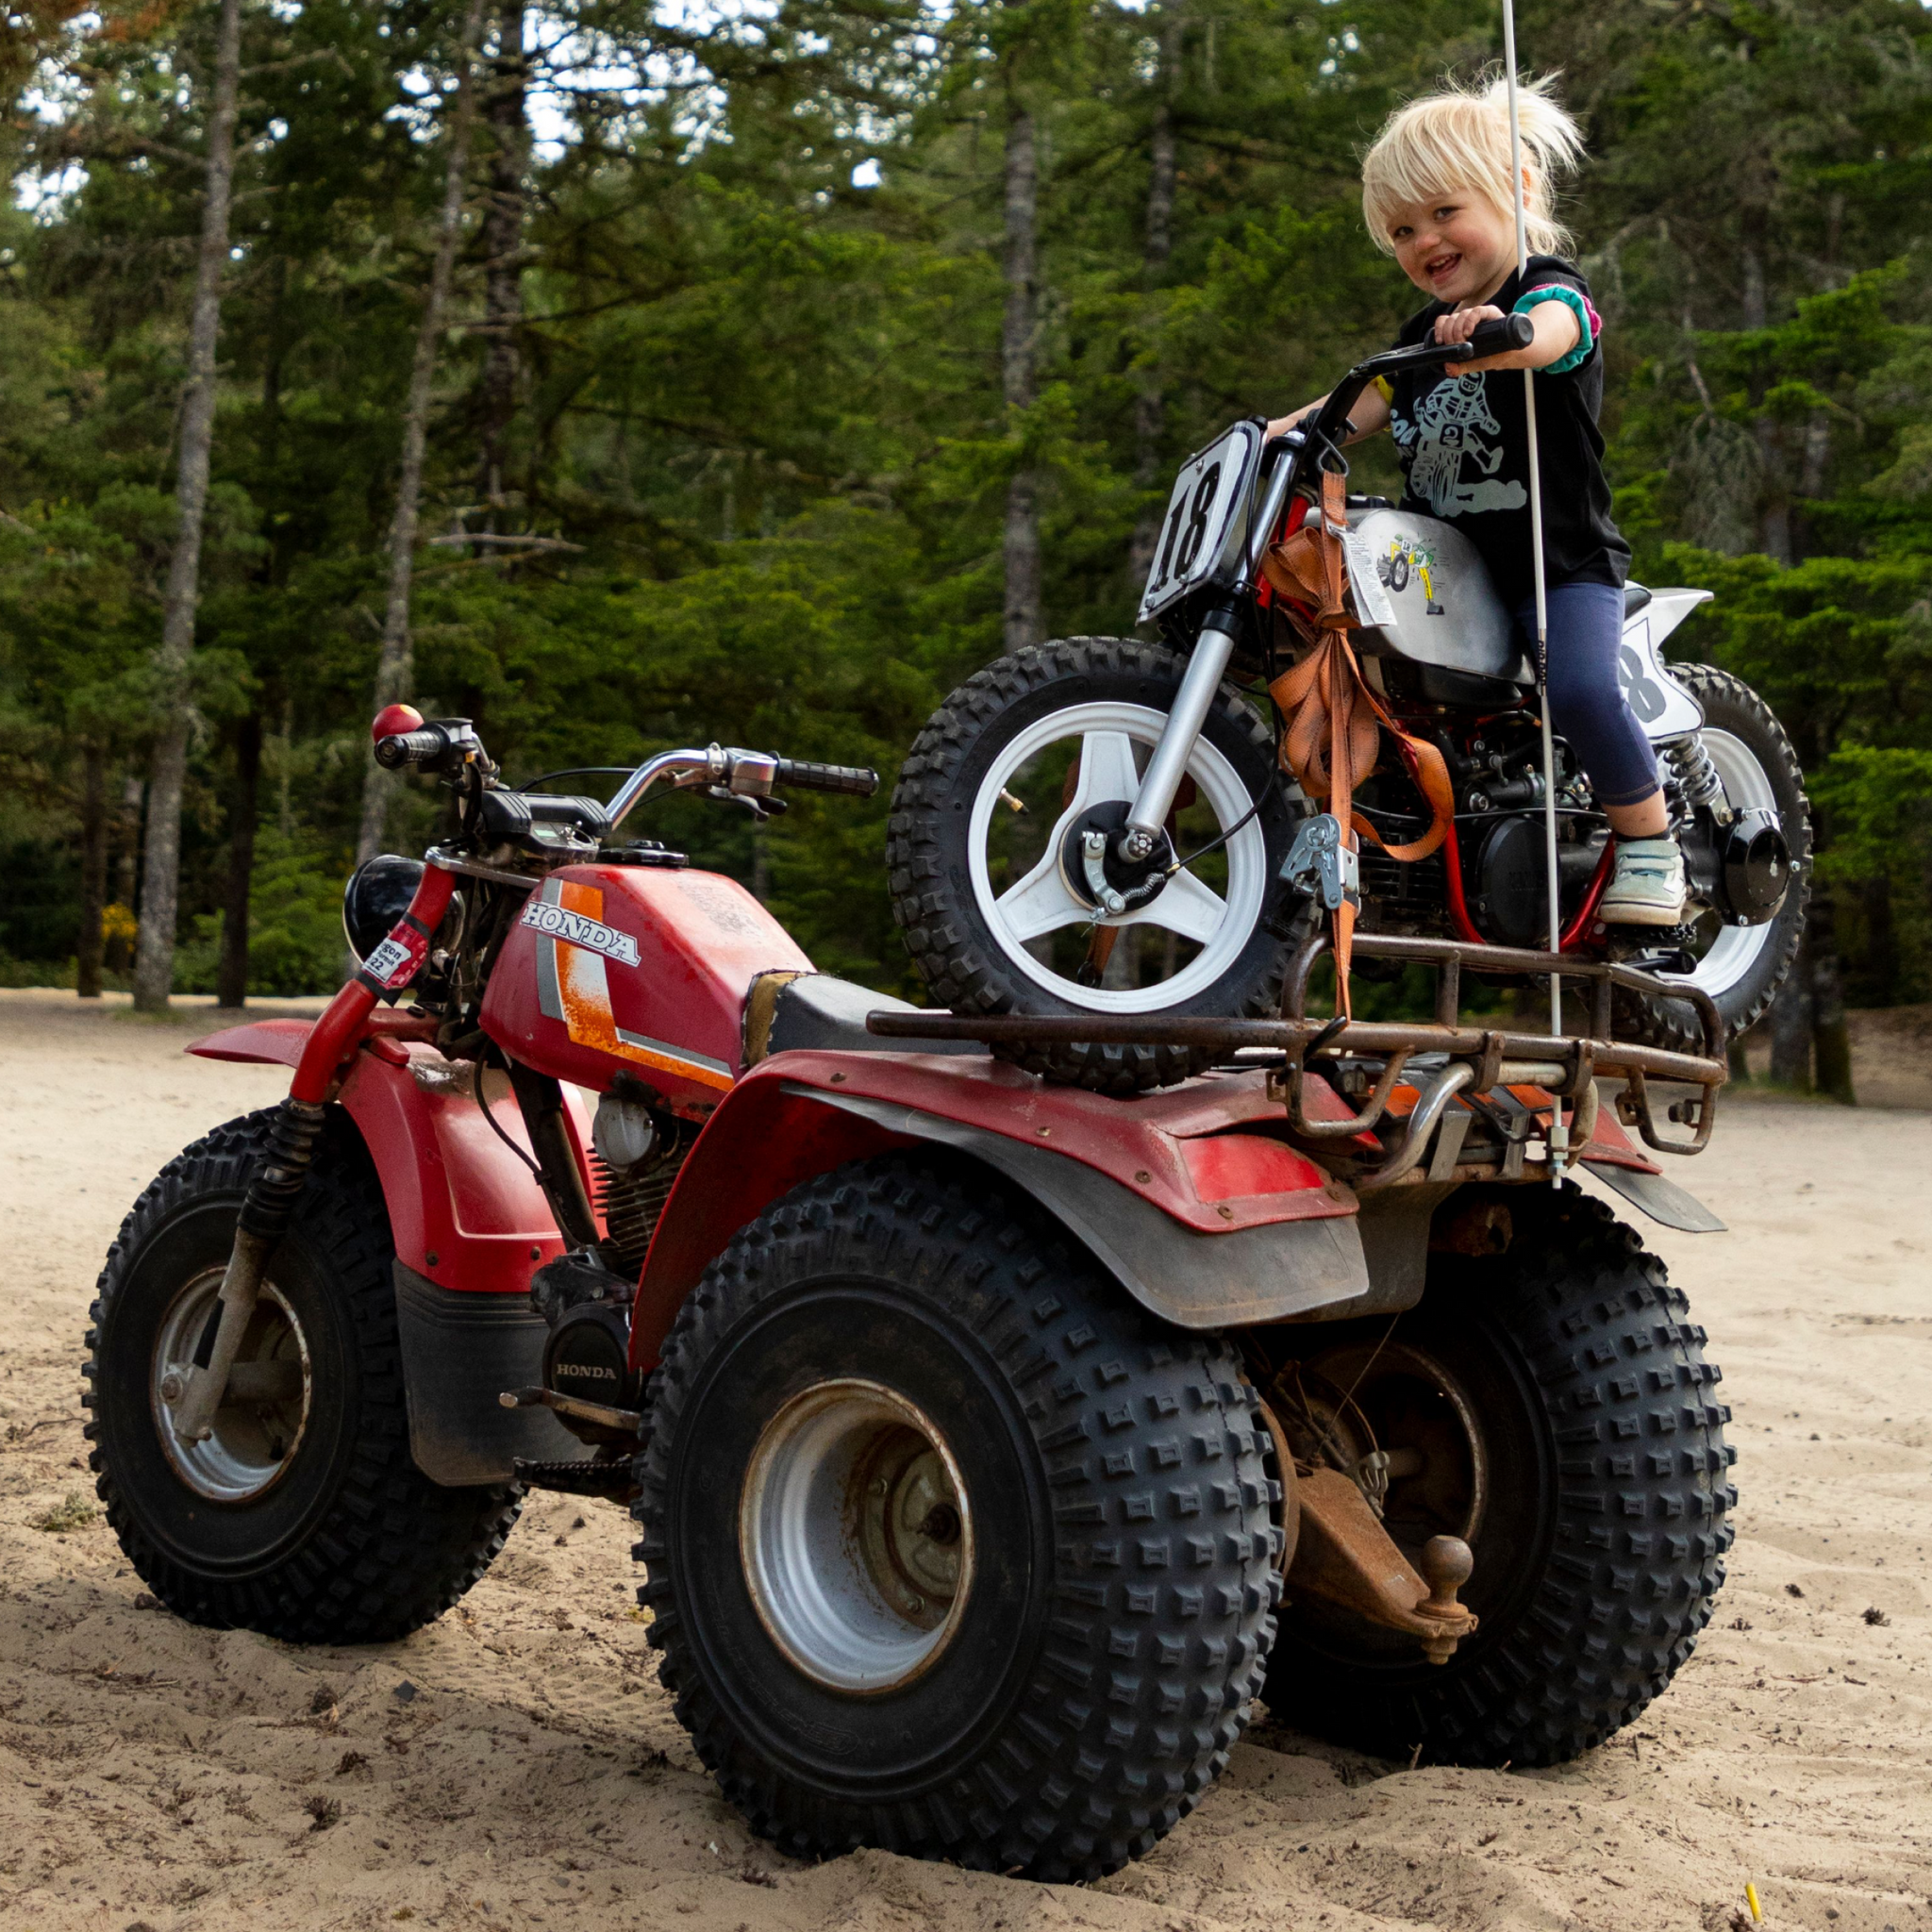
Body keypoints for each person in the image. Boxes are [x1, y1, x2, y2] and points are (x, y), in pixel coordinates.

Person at [1266, 75, 1685, 926]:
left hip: (1558, 568)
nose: (1425, 241)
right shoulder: (1424, 336)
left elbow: (1564, 330)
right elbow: (1363, 402)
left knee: (1578, 689)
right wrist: (1282, 433)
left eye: (1445, 212)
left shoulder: (1544, 290)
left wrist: (1509, 336)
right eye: (1402, 230)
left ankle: (1651, 843)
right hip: (1455, 579)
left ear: (1517, 193)